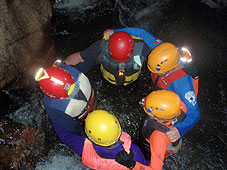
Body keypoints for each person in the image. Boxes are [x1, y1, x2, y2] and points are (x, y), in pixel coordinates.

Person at [104, 27, 200, 143]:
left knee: (148, 127)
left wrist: (179, 129)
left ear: (169, 70)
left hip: (171, 99)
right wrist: (115, 32)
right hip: (160, 86)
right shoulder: (162, 50)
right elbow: (142, 33)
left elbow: (194, 113)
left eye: (157, 71)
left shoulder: (182, 84)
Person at [52, 110, 149, 170]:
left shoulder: (83, 148)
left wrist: (51, 114)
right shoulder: (133, 152)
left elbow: (65, 135)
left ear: (89, 137)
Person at [115, 90, 187, 170]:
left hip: (155, 148)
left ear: (158, 117)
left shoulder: (158, 137)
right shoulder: (179, 105)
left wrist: (131, 164)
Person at [64, 31, 151, 86]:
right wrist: (64, 65)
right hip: (107, 78)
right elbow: (79, 57)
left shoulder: (142, 47)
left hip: (133, 80)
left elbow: (159, 56)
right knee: (89, 59)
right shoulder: (101, 46)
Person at [35, 60, 98, 135]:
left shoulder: (52, 105)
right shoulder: (74, 73)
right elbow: (65, 67)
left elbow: (72, 128)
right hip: (95, 103)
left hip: (86, 122)